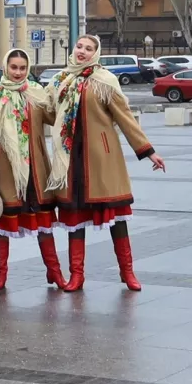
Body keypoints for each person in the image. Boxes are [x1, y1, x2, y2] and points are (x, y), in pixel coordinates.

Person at [48, 34, 166, 292]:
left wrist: (148, 152)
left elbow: (125, 118)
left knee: (116, 218)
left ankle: (128, 272)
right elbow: (47, 112)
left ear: (96, 53)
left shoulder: (105, 81)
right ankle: (76, 276)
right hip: (69, 160)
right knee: (75, 218)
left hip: (102, 158)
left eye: (88, 49)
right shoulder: (61, 80)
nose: (82, 52)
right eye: (79, 46)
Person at [0, 48, 67, 290]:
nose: (18, 72)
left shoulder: (37, 94)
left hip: (36, 169)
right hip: (6, 169)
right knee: (2, 221)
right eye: (14, 67)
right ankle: (1, 274)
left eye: (22, 68)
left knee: (43, 223)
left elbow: (58, 117)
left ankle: (55, 272)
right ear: (5, 68)